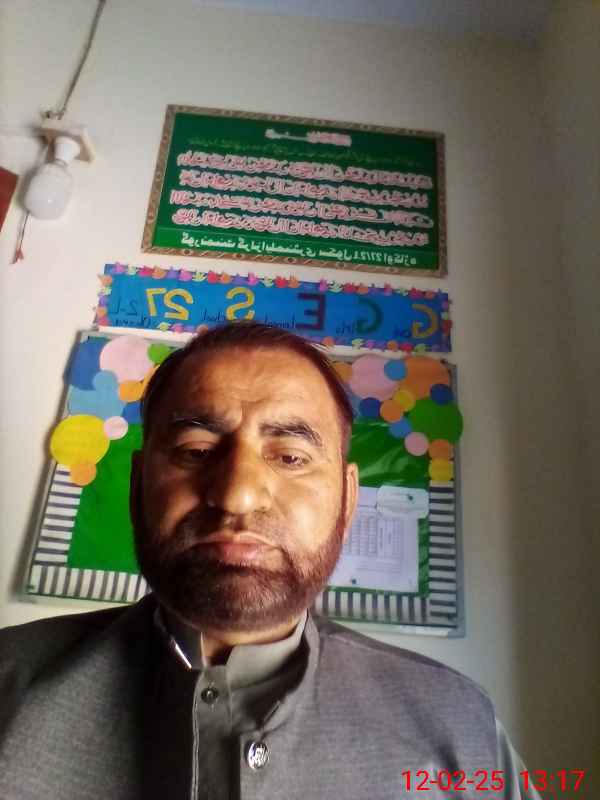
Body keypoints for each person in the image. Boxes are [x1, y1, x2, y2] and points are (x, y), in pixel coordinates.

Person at [0, 321, 541, 800]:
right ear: (139, 482)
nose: (237, 495)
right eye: (195, 451)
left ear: (348, 499)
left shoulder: (460, 727)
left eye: (291, 457)